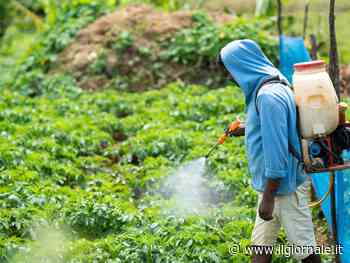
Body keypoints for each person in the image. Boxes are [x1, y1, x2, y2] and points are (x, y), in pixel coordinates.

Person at [217, 39, 321, 263]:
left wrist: (268, 197)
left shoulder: (267, 97)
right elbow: (280, 126)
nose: (231, 78)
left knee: (306, 253)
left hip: (283, 188)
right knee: (261, 246)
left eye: (230, 72)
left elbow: (277, 151)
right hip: (274, 187)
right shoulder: (275, 80)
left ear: (243, 66)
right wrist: (248, 129)